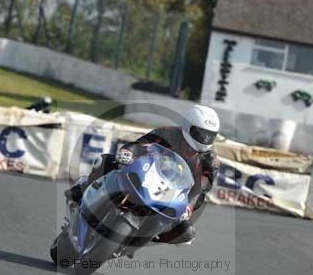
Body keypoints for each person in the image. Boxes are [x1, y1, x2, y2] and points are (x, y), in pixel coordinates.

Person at [65, 105, 221, 245]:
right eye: (200, 134)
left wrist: (188, 208)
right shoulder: (167, 133)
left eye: (209, 135)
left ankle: (151, 236)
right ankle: (83, 188)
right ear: (188, 125)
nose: (204, 139)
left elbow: (200, 191)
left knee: (187, 232)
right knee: (105, 161)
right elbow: (139, 145)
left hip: (172, 194)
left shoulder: (211, 162)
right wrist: (128, 152)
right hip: (147, 175)